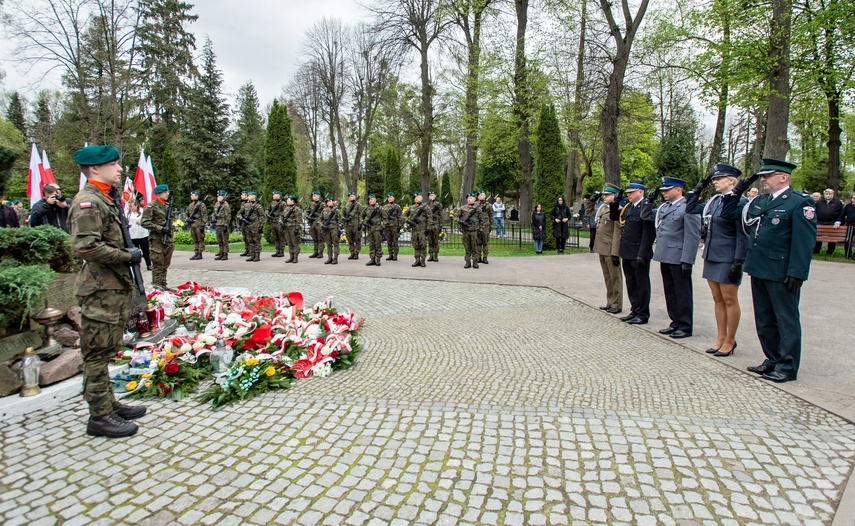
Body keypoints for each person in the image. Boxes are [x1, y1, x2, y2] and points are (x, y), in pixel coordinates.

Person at [68, 144, 146, 438]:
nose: (119, 169)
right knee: (97, 355)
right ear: (94, 169)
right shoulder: (88, 202)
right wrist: (127, 257)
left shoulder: (105, 198)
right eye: (114, 165)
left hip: (112, 286)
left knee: (108, 349)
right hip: (100, 289)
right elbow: (85, 247)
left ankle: (108, 404)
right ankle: (99, 416)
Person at [720, 158, 816, 383]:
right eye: (762, 176)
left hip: (781, 270)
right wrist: (737, 191)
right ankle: (772, 359)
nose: (763, 179)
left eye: (768, 175)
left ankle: (787, 366)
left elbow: (804, 242)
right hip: (759, 267)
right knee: (764, 319)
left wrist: (797, 273)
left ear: (783, 177)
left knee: (786, 319)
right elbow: (729, 214)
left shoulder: (799, 202)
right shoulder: (761, 201)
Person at [701, 164, 749, 357]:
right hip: (712, 253)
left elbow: (742, 234)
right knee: (717, 298)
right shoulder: (714, 201)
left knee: (729, 299)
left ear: (732, 181)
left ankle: (730, 339)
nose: (715, 182)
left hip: (729, 256)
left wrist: (738, 260)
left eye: (719, 179)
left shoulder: (740, 202)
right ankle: (720, 337)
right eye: (714, 179)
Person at [652, 177, 701, 339]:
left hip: (679, 256)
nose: (664, 193)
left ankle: (685, 325)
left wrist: (688, 260)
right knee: (670, 291)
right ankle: (675, 322)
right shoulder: (665, 207)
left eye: (667, 190)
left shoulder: (687, 208)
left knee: (682, 292)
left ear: (678, 190)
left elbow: (692, 236)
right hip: (665, 254)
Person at [618, 180, 656, 325]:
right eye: (628, 193)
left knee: (642, 284)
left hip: (639, 252)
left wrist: (643, 253)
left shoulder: (646, 207)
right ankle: (635, 309)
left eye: (631, 193)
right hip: (627, 251)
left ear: (641, 192)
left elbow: (648, 233)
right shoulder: (629, 207)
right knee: (631, 283)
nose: (629, 195)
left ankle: (643, 313)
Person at [592, 185, 623, 314]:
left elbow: (617, 233)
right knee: (607, 277)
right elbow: (589, 213)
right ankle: (610, 301)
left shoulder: (618, 210)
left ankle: (617, 303)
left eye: (607, 195)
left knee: (615, 278)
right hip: (602, 247)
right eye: (604, 195)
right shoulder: (603, 208)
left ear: (614, 196)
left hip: (610, 249)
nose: (604, 197)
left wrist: (615, 252)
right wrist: (591, 201)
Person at [141, 184, 175, 291]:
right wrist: (160, 228)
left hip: (168, 239)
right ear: (158, 194)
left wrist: (170, 229)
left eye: (167, 192)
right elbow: (145, 222)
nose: (167, 194)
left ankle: (163, 284)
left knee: (165, 263)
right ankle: (156, 285)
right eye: (165, 192)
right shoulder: (151, 206)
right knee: (157, 263)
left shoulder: (167, 205)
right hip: (156, 239)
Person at [814, 188, 842, 255]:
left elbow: (841, 213)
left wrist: (838, 222)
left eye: (830, 194)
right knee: (818, 235)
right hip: (820, 221)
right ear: (824, 194)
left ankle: (830, 251)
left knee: (832, 237)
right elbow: (815, 211)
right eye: (827, 194)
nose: (828, 195)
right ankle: (816, 250)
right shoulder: (820, 202)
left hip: (832, 222)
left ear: (833, 194)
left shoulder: (837, 202)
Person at [456, 192, 480, 268]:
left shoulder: (478, 209)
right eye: (468, 198)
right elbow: (455, 217)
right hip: (466, 231)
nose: (469, 199)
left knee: (475, 247)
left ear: (475, 199)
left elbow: (483, 220)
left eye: (471, 198)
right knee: (467, 247)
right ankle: (468, 262)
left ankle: (475, 261)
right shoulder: (462, 208)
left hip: (474, 231)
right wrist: (461, 222)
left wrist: (481, 230)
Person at [405, 192, 429, 267]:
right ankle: (417, 260)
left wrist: (428, 228)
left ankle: (422, 261)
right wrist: (408, 221)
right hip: (414, 230)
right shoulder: (411, 207)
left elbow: (430, 218)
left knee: (423, 245)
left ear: (421, 198)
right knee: (415, 245)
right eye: (415, 197)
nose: (416, 198)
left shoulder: (426, 207)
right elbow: (403, 216)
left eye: (418, 197)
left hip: (422, 230)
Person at [127, 198, 151, 271]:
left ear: (136, 205)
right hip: (132, 235)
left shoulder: (142, 211)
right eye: (129, 206)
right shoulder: (127, 213)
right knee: (135, 251)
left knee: (146, 250)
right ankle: (136, 265)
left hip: (142, 234)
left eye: (132, 206)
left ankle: (149, 264)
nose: (131, 208)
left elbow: (147, 219)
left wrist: (141, 221)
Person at [362, 194, 385, 266]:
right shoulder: (366, 209)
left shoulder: (380, 208)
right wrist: (363, 222)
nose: (370, 200)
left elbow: (385, 218)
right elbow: (360, 217)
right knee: (371, 245)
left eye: (372, 199)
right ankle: (372, 259)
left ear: (375, 200)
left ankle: (378, 259)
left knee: (378, 244)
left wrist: (382, 226)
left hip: (377, 229)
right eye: (369, 199)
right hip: (370, 229)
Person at [242, 192, 264, 262]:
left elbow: (263, 217)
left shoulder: (258, 206)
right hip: (248, 226)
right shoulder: (246, 205)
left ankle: (257, 255)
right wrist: (243, 219)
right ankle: (252, 254)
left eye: (250, 195)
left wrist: (261, 226)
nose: (248, 196)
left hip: (255, 226)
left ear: (254, 197)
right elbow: (239, 213)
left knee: (256, 241)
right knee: (250, 241)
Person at [185, 190, 207, 260]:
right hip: (192, 225)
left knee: (200, 239)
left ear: (197, 196)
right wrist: (188, 219)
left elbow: (204, 215)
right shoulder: (190, 205)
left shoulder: (201, 205)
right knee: (195, 239)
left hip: (198, 225)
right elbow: (186, 213)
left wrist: (203, 225)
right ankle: (196, 252)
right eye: (191, 195)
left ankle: (200, 253)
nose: (191, 196)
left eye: (193, 195)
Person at [281, 195, 302, 263]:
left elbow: (299, 220)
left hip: (293, 228)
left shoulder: (296, 209)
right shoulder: (286, 209)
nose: (287, 201)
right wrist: (281, 222)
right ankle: (291, 256)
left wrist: (297, 228)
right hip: (286, 228)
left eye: (288, 199)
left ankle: (295, 257)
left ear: (292, 201)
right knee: (289, 243)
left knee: (295, 243)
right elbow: (281, 217)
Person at [342, 191, 363, 260]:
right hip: (348, 225)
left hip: (356, 224)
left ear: (355, 197)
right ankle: (352, 252)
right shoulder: (347, 205)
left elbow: (361, 215)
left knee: (357, 239)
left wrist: (360, 223)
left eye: (353, 196)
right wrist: (345, 219)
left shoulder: (358, 205)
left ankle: (357, 253)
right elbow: (343, 213)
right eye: (350, 196)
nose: (351, 197)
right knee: (350, 239)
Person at [833, 193, 855, 259]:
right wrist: (838, 222)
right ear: (851, 199)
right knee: (848, 240)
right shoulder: (848, 206)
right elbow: (842, 215)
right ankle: (848, 254)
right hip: (850, 226)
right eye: (854, 198)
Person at [211, 190, 231, 261]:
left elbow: (228, 216)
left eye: (219, 196)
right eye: (217, 196)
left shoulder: (226, 205)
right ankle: (221, 252)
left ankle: (225, 254)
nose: (218, 198)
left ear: (223, 197)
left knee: (224, 240)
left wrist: (226, 225)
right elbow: (214, 213)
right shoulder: (217, 204)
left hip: (223, 224)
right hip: (217, 223)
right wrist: (213, 218)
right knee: (219, 239)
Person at [305, 190, 324, 258]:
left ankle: (320, 252)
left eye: (315, 195)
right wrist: (308, 216)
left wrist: (318, 215)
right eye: (313, 196)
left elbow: (324, 213)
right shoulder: (311, 204)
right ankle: (315, 252)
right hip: (312, 223)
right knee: (314, 238)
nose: (313, 197)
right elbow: (307, 211)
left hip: (318, 223)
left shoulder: (322, 204)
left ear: (318, 196)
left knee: (320, 238)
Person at [383, 192, 402, 261]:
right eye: (389, 197)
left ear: (394, 198)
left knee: (395, 241)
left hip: (394, 226)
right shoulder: (384, 207)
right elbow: (383, 217)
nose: (390, 198)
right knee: (389, 241)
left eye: (391, 197)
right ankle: (390, 254)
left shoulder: (397, 207)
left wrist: (399, 226)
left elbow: (400, 217)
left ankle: (395, 255)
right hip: (387, 226)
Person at [267, 190, 286, 258]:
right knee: (276, 237)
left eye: (276, 195)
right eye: (274, 195)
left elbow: (285, 211)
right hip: (273, 221)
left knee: (281, 237)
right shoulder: (271, 203)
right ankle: (277, 250)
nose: (274, 196)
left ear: (279, 195)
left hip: (279, 222)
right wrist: (268, 214)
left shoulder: (283, 203)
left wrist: (280, 216)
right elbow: (267, 209)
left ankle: (281, 251)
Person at [426, 190, 443, 261]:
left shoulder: (438, 204)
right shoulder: (426, 205)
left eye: (432, 195)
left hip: (436, 224)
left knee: (435, 241)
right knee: (430, 241)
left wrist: (441, 225)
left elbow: (441, 215)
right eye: (430, 195)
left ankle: (435, 255)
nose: (431, 196)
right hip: (429, 225)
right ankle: (431, 255)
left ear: (435, 196)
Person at [476, 190, 491, 263]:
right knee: (478, 242)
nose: (481, 196)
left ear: (485, 196)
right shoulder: (475, 204)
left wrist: (491, 226)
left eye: (482, 195)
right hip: (477, 226)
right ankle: (478, 257)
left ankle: (485, 257)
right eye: (479, 195)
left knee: (485, 242)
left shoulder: (488, 205)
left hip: (485, 226)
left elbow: (491, 216)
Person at [236, 190, 250, 257]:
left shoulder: (251, 203)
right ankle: (247, 250)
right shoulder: (242, 203)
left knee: (249, 237)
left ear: (247, 196)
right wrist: (241, 218)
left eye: (242, 195)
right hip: (243, 222)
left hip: (249, 223)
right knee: (245, 237)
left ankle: (251, 250)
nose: (241, 196)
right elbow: (239, 213)